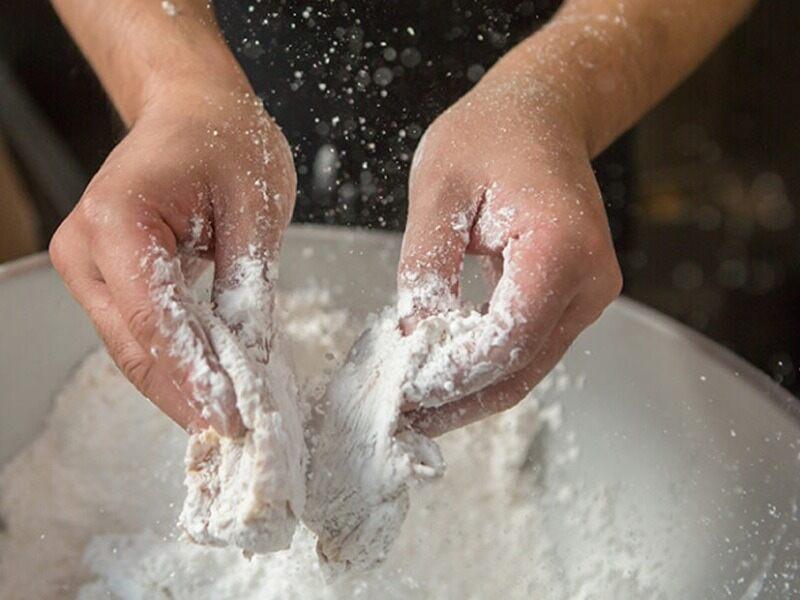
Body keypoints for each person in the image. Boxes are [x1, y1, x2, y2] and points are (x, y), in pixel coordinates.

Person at [47, 0, 756, 436]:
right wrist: (172, 82)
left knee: (538, 352)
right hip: (220, 75)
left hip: (548, 134)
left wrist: (560, 96)